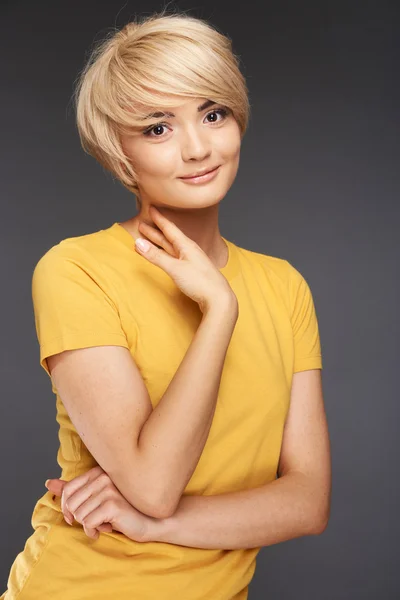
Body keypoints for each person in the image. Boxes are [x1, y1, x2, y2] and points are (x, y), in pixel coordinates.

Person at [1, 9, 331, 600]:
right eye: (158, 127)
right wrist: (219, 313)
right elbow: (153, 483)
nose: (198, 147)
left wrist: (162, 524)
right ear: (118, 152)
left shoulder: (284, 286)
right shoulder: (77, 269)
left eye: (213, 113)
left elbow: (307, 501)